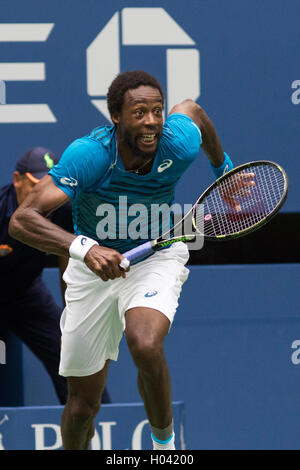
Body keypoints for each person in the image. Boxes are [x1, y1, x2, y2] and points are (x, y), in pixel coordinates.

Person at [8, 70, 236, 450]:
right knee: (81, 408)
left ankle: (165, 446)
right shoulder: (91, 155)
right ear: (116, 117)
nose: (151, 122)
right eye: (139, 112)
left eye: (157, 111)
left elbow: (193, 111)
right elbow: (22, 220)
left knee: (145, 343)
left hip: (156, 256)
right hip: (91, 269)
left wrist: (223, 171)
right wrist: (86, 248)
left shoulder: (177, 143)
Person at [0, 146, 111, 405]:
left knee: (71, 359)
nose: (45, 193)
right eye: (36, 185)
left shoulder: (62, 211)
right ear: (18, 180)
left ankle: (101, 427)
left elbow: (67, 267)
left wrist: (69, 324)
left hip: (25, 295)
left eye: (51, 184)